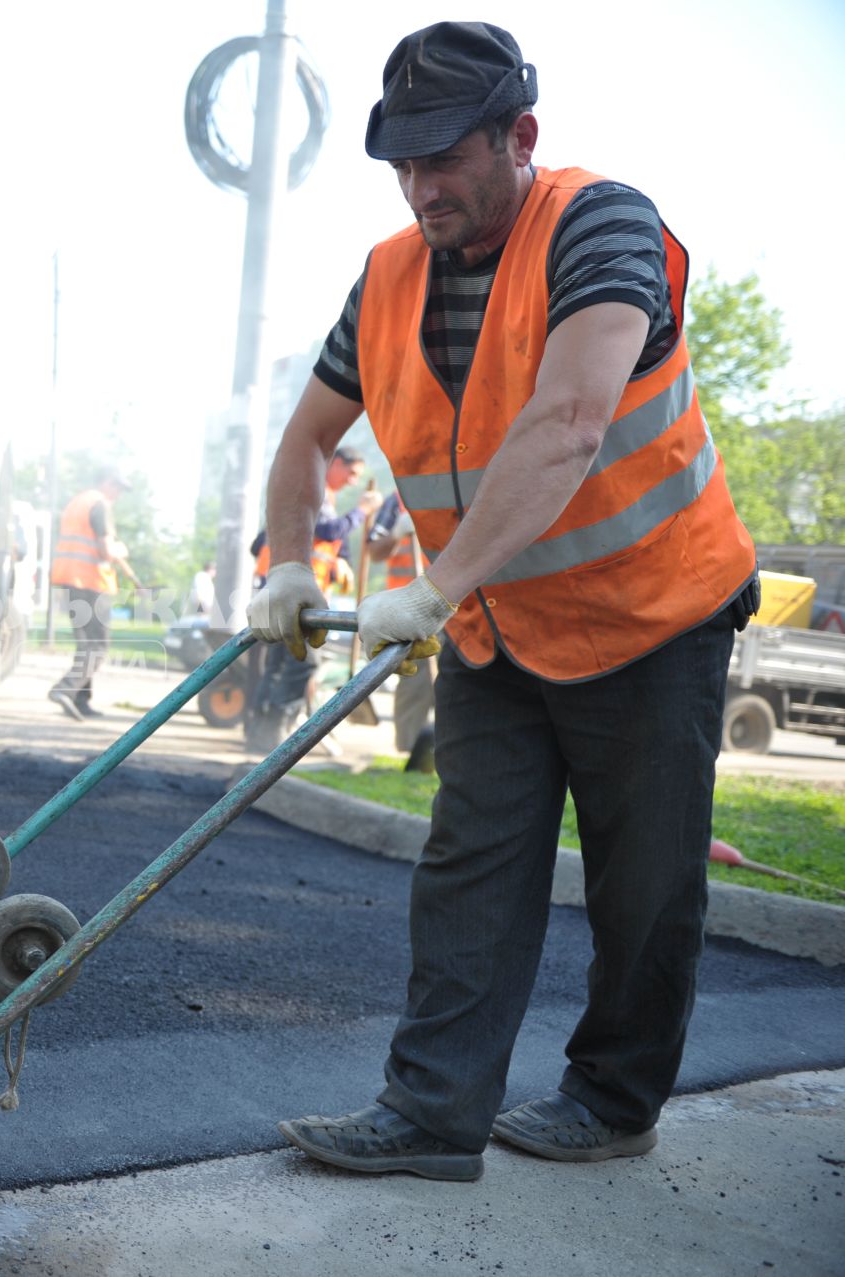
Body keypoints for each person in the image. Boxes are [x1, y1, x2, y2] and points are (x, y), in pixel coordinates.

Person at [252, 22, 756, 1183]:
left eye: (447, 161)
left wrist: (431, 586)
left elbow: (574, 420)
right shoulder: (384, 275)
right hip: (494, 625)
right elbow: (306, 441)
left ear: (519, 136)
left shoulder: (599, 223)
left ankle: (614, 1096)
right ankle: (431, 1112)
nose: (422, 188)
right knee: (471, 862)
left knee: (644, 878)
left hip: (652, 613)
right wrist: (287, 566)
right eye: (404, 166)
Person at [244, 451, 380, 746]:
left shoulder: (313, 492)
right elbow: (328, 530)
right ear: (335, 463)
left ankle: (259, 730)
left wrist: (340, 558)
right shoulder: (314, 488)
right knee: (302, 661)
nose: (353, 481)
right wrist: (361, 511)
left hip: (280, 586)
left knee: (277, 663)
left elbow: (263, 544)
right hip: (297, 592)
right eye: (351, 472)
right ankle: (276, 729)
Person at [46, 471, 131, 719]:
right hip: (91, 581)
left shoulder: (77, 502)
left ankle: (81, 700)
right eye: (118, 487)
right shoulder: (100, 504)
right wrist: (120, 550)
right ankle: (65, 689)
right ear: (106, 482)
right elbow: (105, 551)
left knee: (86, 644)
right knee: (98, 645)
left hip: (70, 579)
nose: (119, 494)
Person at [365, 494, 437, 772]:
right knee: (415, 682)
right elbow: (375, 552)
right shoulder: (398, 501)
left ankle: (450, 756)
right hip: (409, 608)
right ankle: (411, 754)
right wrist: (396, 533)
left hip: (456, 605)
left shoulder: (463, 486)